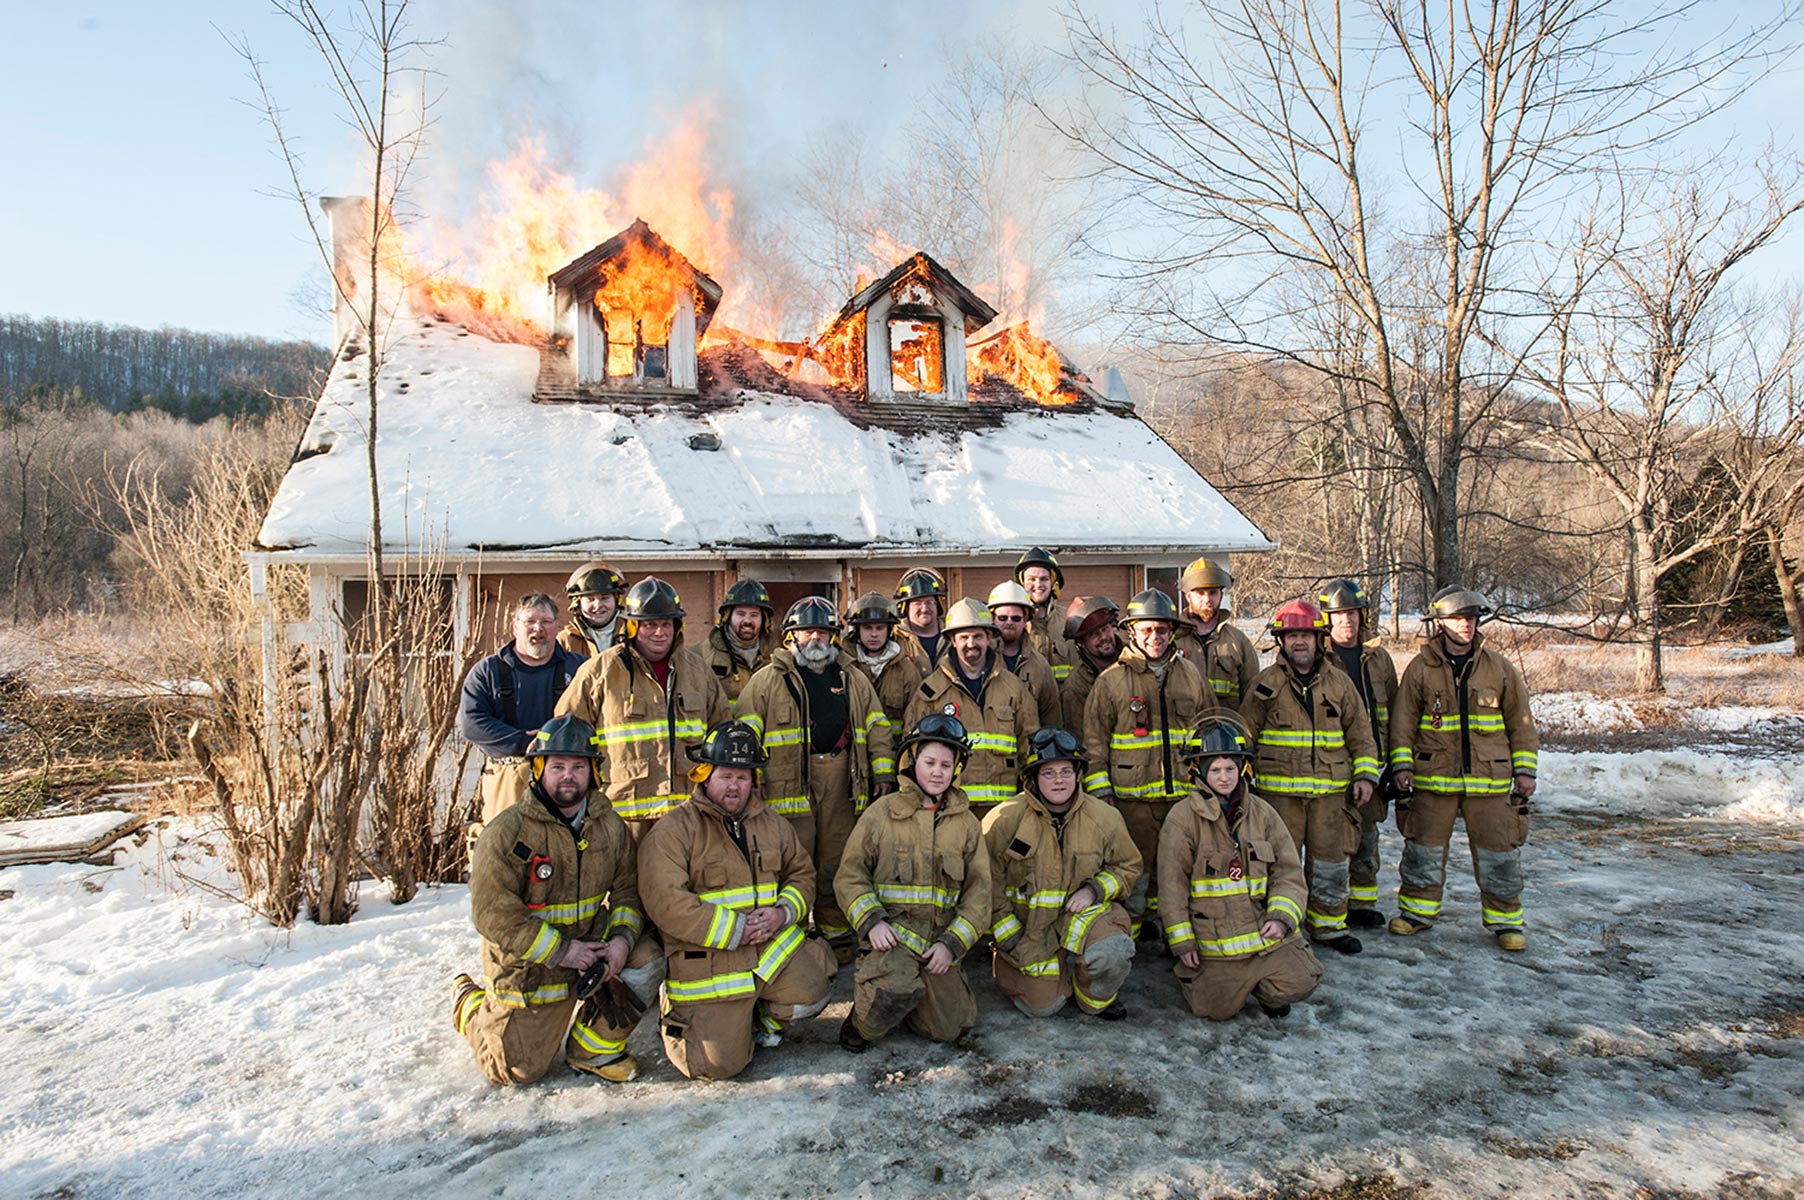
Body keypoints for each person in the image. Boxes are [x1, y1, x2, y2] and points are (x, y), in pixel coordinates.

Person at [451, 715, 658, 1085]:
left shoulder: (609, 826)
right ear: (538, 770)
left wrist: (622, 941)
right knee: (516, 1071)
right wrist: (562, 951)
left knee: (649, 955)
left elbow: (628, 889)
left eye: (578, 767)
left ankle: (592, 1050)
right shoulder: (507, 832)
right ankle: (471, 1006)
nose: (568, 776)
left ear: (593, 772)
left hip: (592, 955)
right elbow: (492, 915)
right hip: (533, 966)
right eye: (558, 766)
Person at [636, 720, 838, 1080]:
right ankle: (679, 1010)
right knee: (714, 1067)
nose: (735, 786)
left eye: (743, 777)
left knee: (814, 989)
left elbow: (801, 875)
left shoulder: (772, 823)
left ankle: (757, 1015)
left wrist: (783, 913)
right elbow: (666, 902)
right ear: (705, 775)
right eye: (726, 775)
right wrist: (736, 929)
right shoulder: (674, 831)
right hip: (712, 962)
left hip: (766, 952)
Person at [737, 597, 897, 961]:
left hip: (843, 782)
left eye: (823, 631)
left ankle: (836, 935)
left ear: (835, 636)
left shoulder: (852, 677)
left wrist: (883, 773)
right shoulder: (766, 681)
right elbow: (746, 733)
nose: (815, 638)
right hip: (785, 787)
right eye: (806, 630)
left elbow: (877, 727)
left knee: (836, 862)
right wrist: (752, 778)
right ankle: (788, 938)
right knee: (791, 865)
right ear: (790, 636)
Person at [1388, 586, 1539, 952]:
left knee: (1499, 853)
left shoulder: (1498, 667)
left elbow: (1520, 721)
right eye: (1457, 619)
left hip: (1489, 781)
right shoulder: (1421, 669)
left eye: (1470, 619)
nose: (1465, 626)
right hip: (1433, 779)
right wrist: (1402, 766)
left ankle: (1506, 920)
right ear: (1440, 623)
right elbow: (1403, 722)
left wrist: (1525, 771)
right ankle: (1416, 913)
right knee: (1423, 848)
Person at [835, 714, 992, 1053]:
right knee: (889, 996)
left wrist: (952, 944)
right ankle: (864, 1021)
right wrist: (872, 922)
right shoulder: (881, 813)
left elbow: (979, 894)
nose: (938, 772)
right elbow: (850, 876)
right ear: (911, 762)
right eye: (929, 762)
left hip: (937, 944)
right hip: (891, 943)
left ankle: (912, 1001)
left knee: (951, 1027)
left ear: (956, 770)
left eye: (946, 765)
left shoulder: (966, 824)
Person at [1241, 598, 1381, 954]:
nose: (1299, 642)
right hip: (1277, 799)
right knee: (1278, 864)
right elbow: (1244, 738)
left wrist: (1365, 777)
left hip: (1331, 796)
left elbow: (1361, 735)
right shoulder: (1264, 685)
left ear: (1320, 639)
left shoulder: (1340, 684)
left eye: (1306, 635)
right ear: (1281, 641)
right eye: (1291, 636)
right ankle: (1283, 925)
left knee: (1331, 861)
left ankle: (1329, 926)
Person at [1159, 718, 1322, 1021]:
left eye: (1230, 769)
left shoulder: (1263, 813)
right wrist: (1182, 942)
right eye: (1215, 770)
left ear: (1243, 769)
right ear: (1199, 772)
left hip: (1264, 935)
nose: (1224, 778)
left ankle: (1267, 986)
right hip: (1216, 942)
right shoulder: (1182, 819)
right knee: (1213, 1010)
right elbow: (1172, 887)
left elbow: (1288, 873)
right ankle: (1202, 980)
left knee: (1303, 980)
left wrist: (1282, 918)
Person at [1081, 589, 1214, 938]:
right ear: (1132, 632)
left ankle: (1172, 932)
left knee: (1176, 871)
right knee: (1136, 872)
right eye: (1147, 630)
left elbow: (1208, 730)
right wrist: (1102, 795)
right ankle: (1132, 934)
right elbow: (1095, 742)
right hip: (1131, 800)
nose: (1155, 637)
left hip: (1182, 799)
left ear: (1172, 632)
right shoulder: (1110, 680)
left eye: (1162, 630)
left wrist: (1207, 786)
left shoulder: (1191, 675)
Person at [982, 727, 1141, 1019]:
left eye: (1066, 771)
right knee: (1044, 1007)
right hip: (1028, 929)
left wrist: (1093, 890)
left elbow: (1127, 866)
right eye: (1049, 773)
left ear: (1078, 775)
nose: (1059, 781)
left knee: (1112, 953)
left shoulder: (1104, 818)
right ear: (1032, 777)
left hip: (1081, 918)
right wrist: (1010, 938)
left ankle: (1090, 996)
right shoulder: (1004, 820)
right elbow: (986, 883)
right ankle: (1045, 981)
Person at [555, 577, 727, 837]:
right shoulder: (599, 672)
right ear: (633, 626)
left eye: (666, 624)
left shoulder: (699, 671)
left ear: (677, 626)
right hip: (621, 817)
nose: (659, 632)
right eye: (650, 625)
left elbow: (721, 732)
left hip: (688, 814)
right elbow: (565, 735)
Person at [903, 598, 1039, 815]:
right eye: (963, 637)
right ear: (952, 641)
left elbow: (1030, 747)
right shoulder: (930, 692)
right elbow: (911, 755)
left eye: (978, 636)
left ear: (989, 638)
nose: (971, 643)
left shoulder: (1014, 688)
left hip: (1005, 811)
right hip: (950, 812)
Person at [459, 593, 586, 825]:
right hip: (507, 779)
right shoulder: (487, 671)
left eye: (546, 622)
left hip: (567, 781)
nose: (538, 628)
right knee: (505, 850)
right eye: (530, 622)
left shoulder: (579, 668)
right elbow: (471, 723)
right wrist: (522, 742)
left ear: (557, 626)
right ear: (515, 627)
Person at [1317, 578, 1400, 929]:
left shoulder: (1379, 660)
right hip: (1331, 763)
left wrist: (1395, 764)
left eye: (1351, 614)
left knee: (1367, 837)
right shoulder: (1319, 659)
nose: (1346, 622)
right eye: (1338, 615)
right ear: (1326, 619)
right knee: (1333, 839)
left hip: (1373, 764)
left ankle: (1363, 903)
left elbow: (1396, 712)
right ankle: (1330, 904)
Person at [1172, 558, 1262, 713]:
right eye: (1200, 593)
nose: (1207, 599)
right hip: (1183, 732)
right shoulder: (1172, 640)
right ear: (1188, 596)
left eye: (1213, 592)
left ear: (1221, 595)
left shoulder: (1239, 643)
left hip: (1226, 731)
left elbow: (1252, 698)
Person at [844, 590, 926, 728]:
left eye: (880, 628)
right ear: (857, 630)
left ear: (889, 630)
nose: (874, 634)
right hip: (855, 748)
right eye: (867, 628)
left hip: (895, 748)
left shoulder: (907, 671)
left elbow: (916, 717)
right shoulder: (845, 667)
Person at [986, 580, 1063, 728]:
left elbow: (1051, 716)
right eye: (1002, 618)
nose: (1009, 622)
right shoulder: (982, 661)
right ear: (993, 619)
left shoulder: (1040, 665)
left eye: (1016, 618)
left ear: (1025, 620)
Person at [703, 578, 777, 716]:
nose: (747, 621)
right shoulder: (701, 657)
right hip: (722, 735)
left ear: (764, 620)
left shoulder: (777, 658)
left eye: (754, 615)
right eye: (740, 614)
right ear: (727, 617)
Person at [1058, 596, 1121, 724]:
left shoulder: (1137, 659)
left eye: (1105, 629)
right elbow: (1079, 736)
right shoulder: (1075, 687)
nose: (1103, 637)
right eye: (1093, 634)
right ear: (1081, 642)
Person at [1013, 547, 1073, 681]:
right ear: (1022, 584)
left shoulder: (1070, 619)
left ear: (1053, 582)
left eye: (1044, 579)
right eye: (1031, 579)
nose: (1038, 584)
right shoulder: (1014, 623)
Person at [558, 561, 627, 657]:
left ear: (617, 601)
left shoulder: (633, 637)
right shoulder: (564, 641)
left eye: (605, 598)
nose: (598, 605)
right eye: (590, 599)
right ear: (577, 603)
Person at [893, 567, 950, 670]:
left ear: (937, 605)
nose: (924, 609)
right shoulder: (895, 639)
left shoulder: (952, 636)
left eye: (929, 602)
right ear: (905, 609)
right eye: (917, 603)